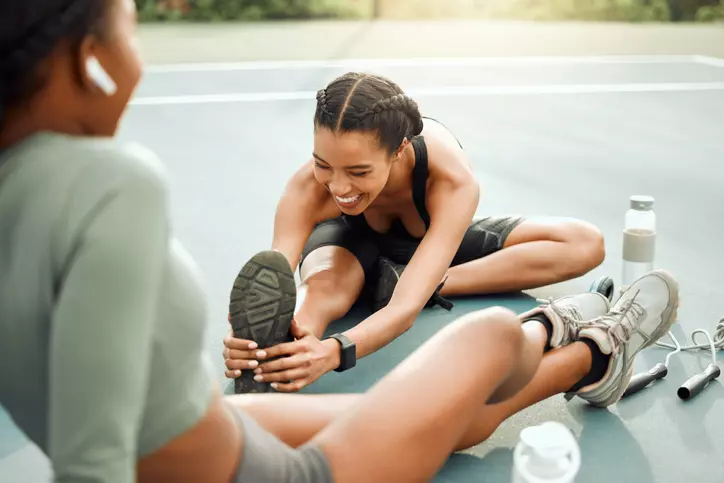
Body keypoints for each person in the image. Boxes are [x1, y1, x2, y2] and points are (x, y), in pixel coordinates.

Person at [0, 1, 680, 482]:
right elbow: (92, 465)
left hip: (206, 424)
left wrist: (278, 348)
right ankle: (591, 346)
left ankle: (577, 345)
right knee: (490, 343)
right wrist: (321, 335)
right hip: (271, 468)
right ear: (92, 60)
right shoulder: (113, 185)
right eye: (132, 24)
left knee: (431, 407)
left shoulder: (21, 186)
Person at [223, 71, 607, 393]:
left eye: (358, 172)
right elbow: (275, 276)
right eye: (323, 164)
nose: (338, 187)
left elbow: (404, 310)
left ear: (399, 149)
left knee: (584, 243)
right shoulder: (308, 188)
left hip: (425, 248)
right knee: (322, 289)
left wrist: (337, 351)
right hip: (345, 245)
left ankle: (417, 280)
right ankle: (281, 351)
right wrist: (258, 340)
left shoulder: (452, 181)